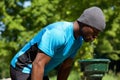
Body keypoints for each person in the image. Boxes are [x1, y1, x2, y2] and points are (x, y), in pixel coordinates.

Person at [10, 6, 106, 80]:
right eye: (95, 32)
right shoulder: (59, 33)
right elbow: (38, 64)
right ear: (87, 24)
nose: (95, 37)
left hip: (41, 71)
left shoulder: (78, 42)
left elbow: (66, 66)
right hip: (22, 68)